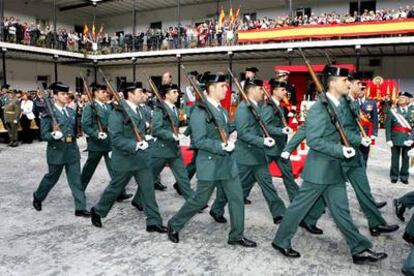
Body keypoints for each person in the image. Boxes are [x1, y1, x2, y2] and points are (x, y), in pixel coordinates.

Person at [272, 66, 387, 264]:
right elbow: (314, 140)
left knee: (341, 212)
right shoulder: (319, 108)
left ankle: (359, 249)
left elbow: (341, 131)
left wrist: (360, 140)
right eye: (345, 81)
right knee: (297, 209)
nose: (349, 84)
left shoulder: (338, 104)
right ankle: (281, 241)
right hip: (319, 170)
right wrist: (341, 150)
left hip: (334, 169)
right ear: (333, 82)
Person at [167, 73, 256, 247]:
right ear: (211, 88)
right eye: (222, 86)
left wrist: (236, 129)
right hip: (209, 162)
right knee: (200, 200)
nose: (226, 89)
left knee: (237, 198)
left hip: (227, 164)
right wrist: (221, 146)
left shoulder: (221, 109)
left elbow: (225, 128)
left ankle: (236, 235)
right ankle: (174, 224)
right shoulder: (199, 111)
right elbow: (199, 141)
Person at [90, 82, 167, 234]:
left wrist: (147, 138)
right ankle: (98, 210)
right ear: (129, 94)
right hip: (125, 159)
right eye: (139, 91)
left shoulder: (140, 110)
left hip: (141, 159)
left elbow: (141, 130)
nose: (142, 94)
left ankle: (153, 221)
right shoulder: (117, 113)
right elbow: (116, 138)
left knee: (148, 189)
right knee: (115, 189)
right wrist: (135, 145)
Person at [210, 78, 286, 225]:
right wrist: (262, 141)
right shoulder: (244, 108)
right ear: (251, 90)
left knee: (267, 184)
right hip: (245, 155)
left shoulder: (257, 106)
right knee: (231, 185)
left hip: (258, 155)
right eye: (260, 89)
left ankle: (278, 213)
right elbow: (243, 133)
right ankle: (217, 209)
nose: (263, 92)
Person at [32, 82, 90, 217]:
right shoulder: (48, 112)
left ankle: (80, 207)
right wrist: (53, 135)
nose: (66, 96)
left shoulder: (71, 111)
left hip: (72, 151)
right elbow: (44, 134)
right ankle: (38, 196)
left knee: (76, 180)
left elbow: (74, 131)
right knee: (51, 178)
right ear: (55, 96)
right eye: (62, 94)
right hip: (56, 151)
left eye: (66, 94)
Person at [80, 83, 132, 201]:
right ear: (96, 93)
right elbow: (85, 125)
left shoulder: (109, 107)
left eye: (105, 92)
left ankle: (119, 192)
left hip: (109, 143)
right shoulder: (90, 107)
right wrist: (96, 134)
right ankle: (79, 190)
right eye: (102, 92)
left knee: (115, 168)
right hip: (96, 144)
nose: (105, 94)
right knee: (89, 169)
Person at [385, 91, 413, 184]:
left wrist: (412, 139)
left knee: (406, 158)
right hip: (395, 137)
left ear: (408, 100)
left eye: (403, 98)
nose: (400, 99)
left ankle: (404, 176)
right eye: (399, 98)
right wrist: (388, 139)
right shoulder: (393, 111)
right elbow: (388, 126)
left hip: (408, 138)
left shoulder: (412, 111)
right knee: (395, 158)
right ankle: (394, 175)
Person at [354, 76, 378, 167]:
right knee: (354, 151)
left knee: (364, 152)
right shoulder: (352, 101)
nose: (361, 91)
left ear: (365, 90)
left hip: (366, 132)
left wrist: (374, 134)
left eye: (363, 89)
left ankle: (363, 169)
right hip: (355, 131)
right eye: (359, 89)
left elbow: (375, 118)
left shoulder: (371, 103)